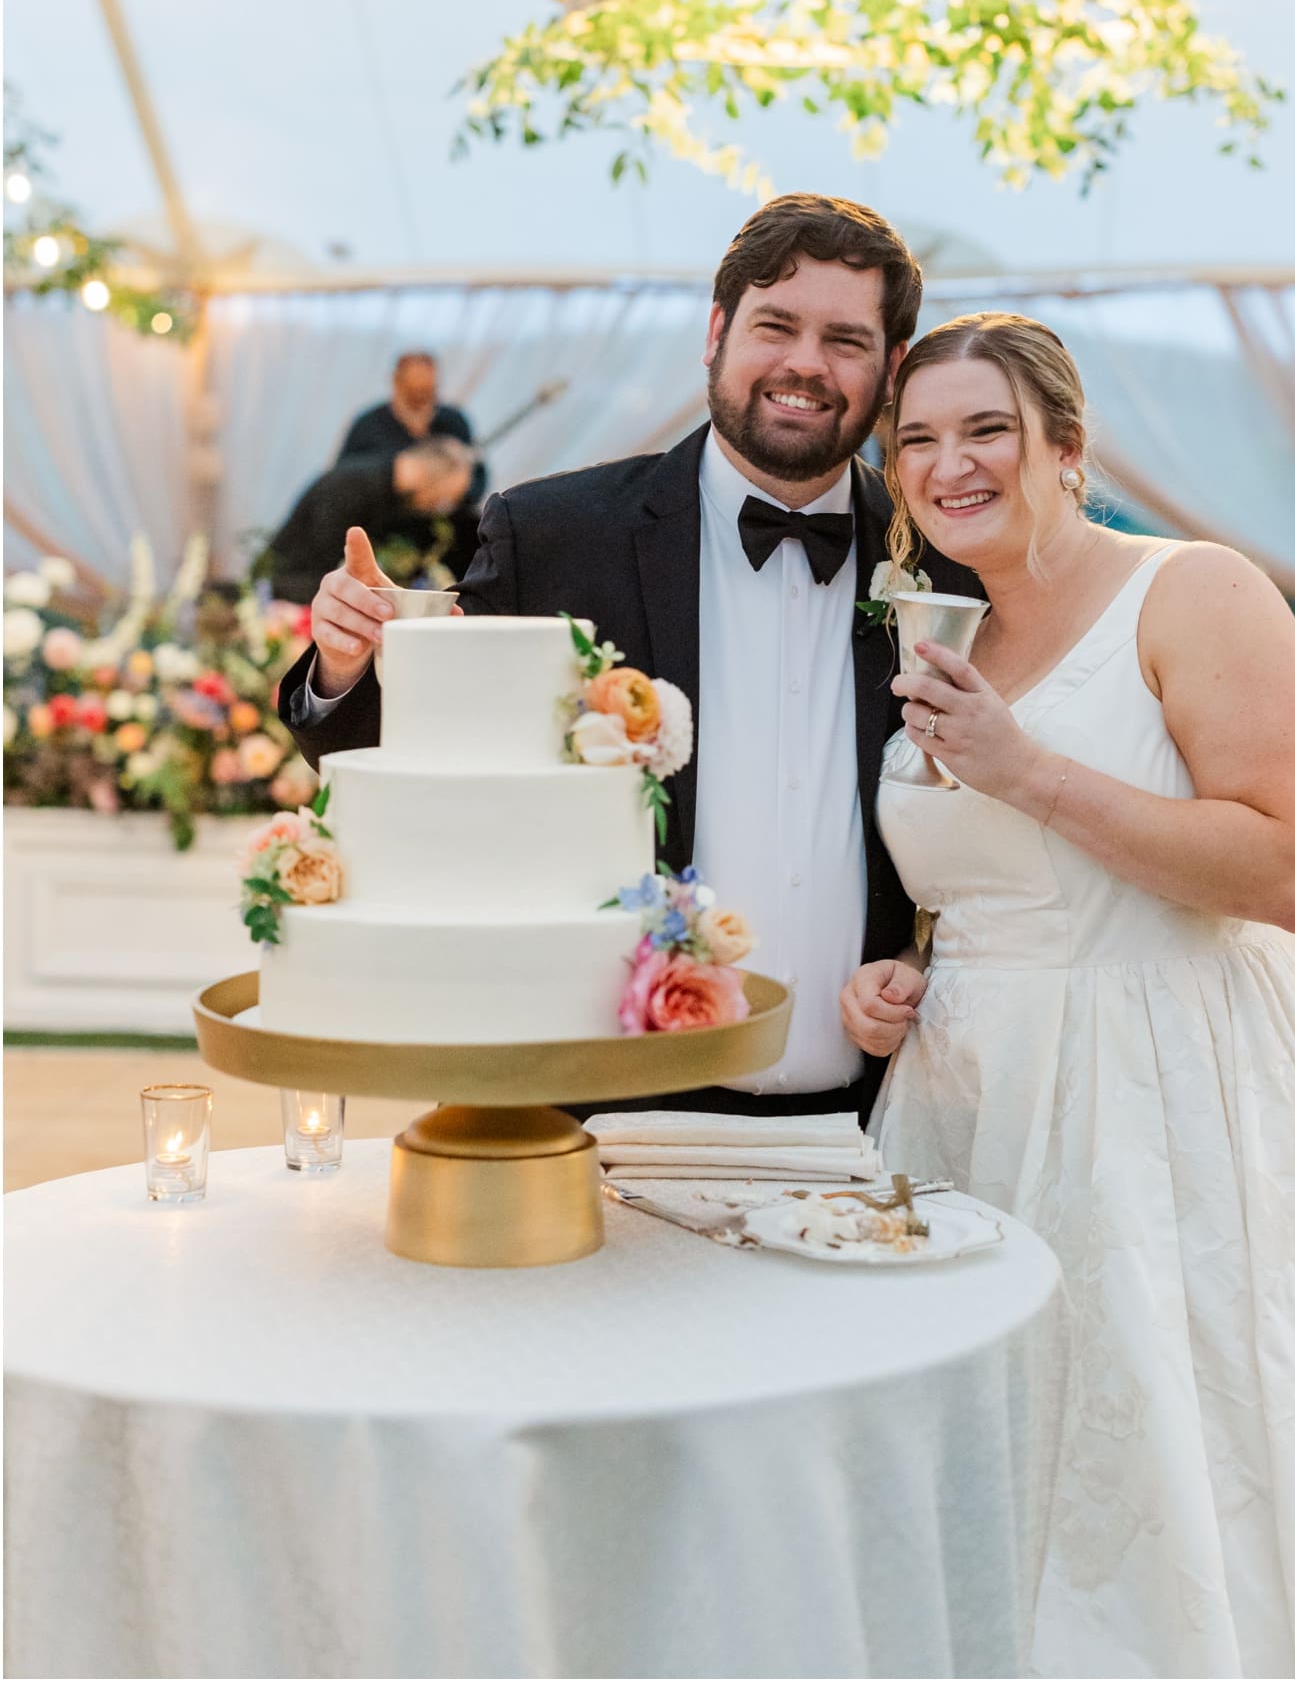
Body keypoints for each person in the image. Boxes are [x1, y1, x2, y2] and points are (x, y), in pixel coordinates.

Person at [840, 311, 1295, 1679]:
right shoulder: (937, 631)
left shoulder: (1193, 590)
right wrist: (908, 970)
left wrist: (1026, 770)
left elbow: (1287, 868)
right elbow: (991, 882)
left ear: (1068, 447)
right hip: (966, 1111)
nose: (947, 463)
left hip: (1168, 1099)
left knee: (1163, 1469)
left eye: (987, 430)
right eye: (916, 439)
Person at [278, 192, 982, 1120]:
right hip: (611, 1111)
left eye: (845, 341)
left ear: (892, 369)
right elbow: (404, 755)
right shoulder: (556, 534)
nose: (806, 365)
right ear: (717, 332)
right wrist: (347, 662)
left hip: (882, 1116)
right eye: (777, 325)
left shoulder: (945, 565)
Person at [262, 439, 474, 604]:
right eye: (445, 498)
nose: (439, 507)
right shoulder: (350, 488)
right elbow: (319, 567)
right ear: (431, 478)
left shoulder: (383, 489)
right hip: (287, 595)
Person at [339, 351, 487, 566]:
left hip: (442, 536)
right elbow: (347, 482)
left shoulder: (453, 423)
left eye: (428, 393)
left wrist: (451, 491)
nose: (422, 402)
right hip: (386, 534)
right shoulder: (368, 427)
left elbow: (478, 476)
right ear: (396, 383)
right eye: (413, 393)